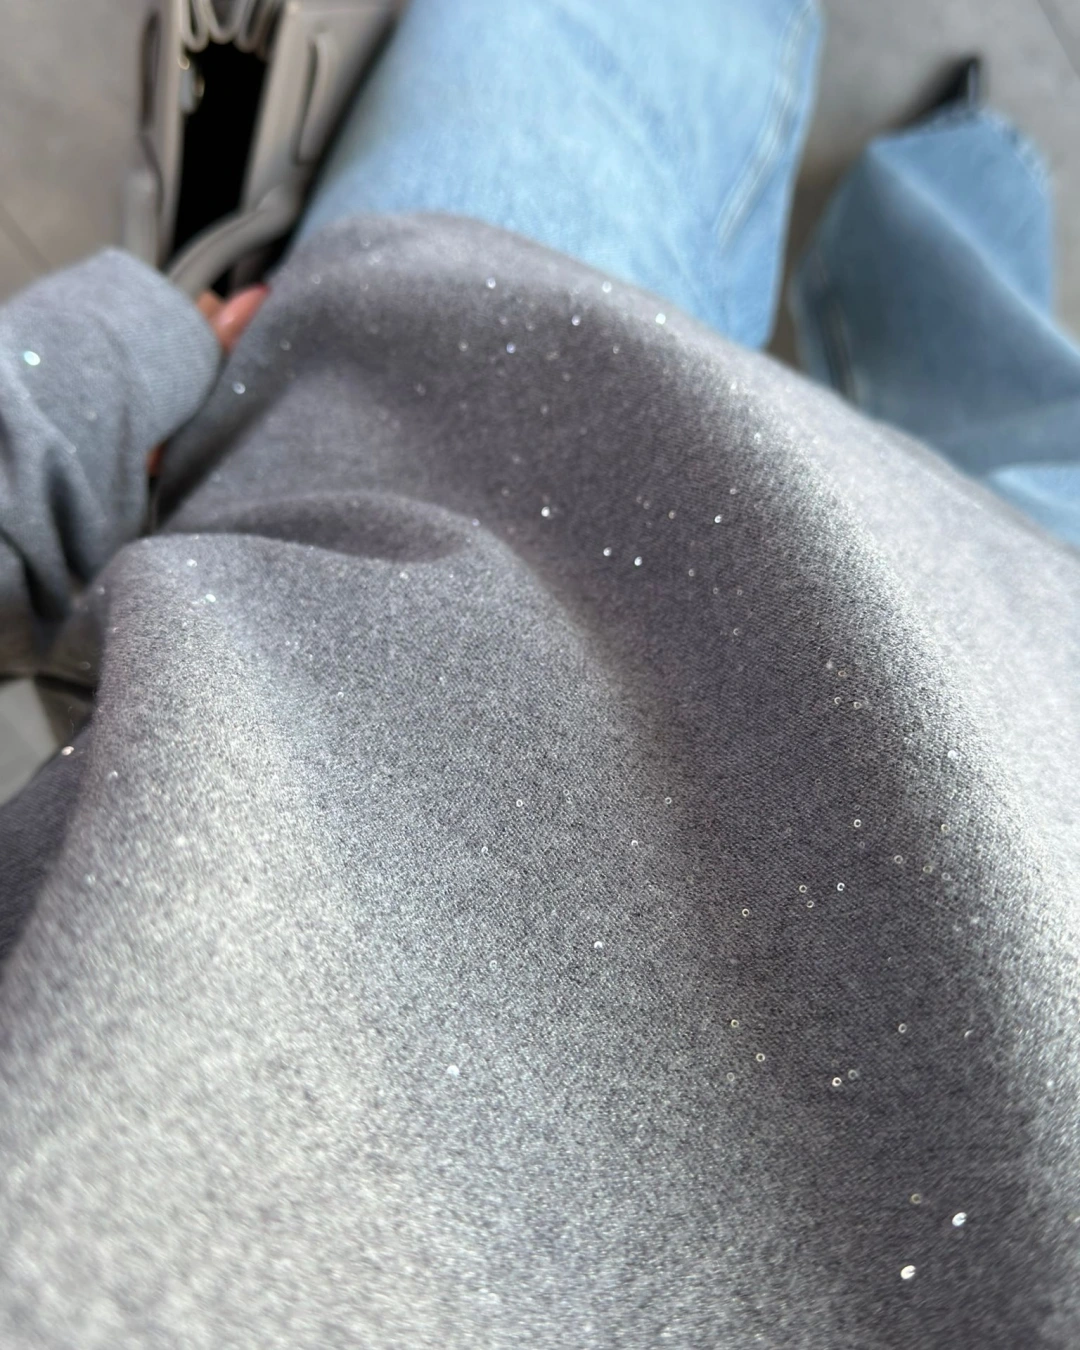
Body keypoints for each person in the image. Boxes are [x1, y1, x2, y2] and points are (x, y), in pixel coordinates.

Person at [0, 1, 1077, 1346]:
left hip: (475, 431)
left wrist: (110, 363)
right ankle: (945, 172)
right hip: (1027, 643)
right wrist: (96, 367)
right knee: (1012, 380)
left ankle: (940, 181)